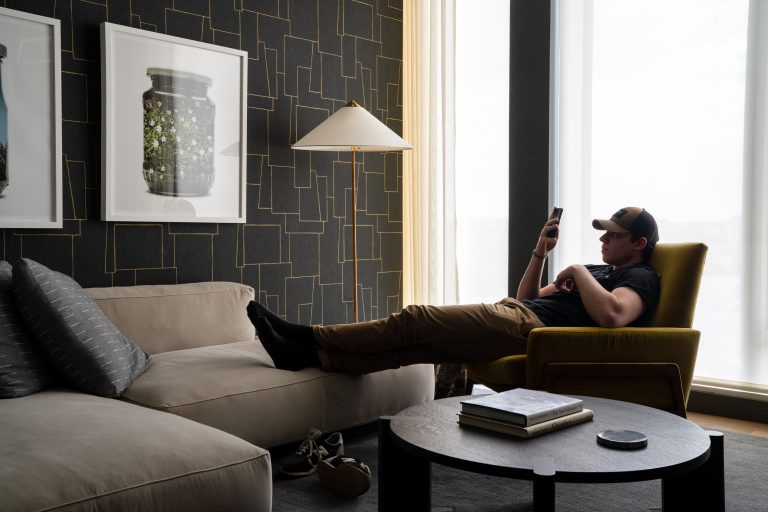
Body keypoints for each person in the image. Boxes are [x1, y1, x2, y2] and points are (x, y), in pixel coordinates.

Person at [247, 206, 661, 375]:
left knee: (415, 318)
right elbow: (527, 295)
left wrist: (574, 270)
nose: (604, 242)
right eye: (604, 235)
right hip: (516, 314)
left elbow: (613, 316)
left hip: (526, 330)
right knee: (412, 349)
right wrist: (541, 251)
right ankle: (307, 356)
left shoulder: (638, 278)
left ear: (639, 243)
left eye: (614, 236)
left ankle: (305, 335)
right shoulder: (595, 270)